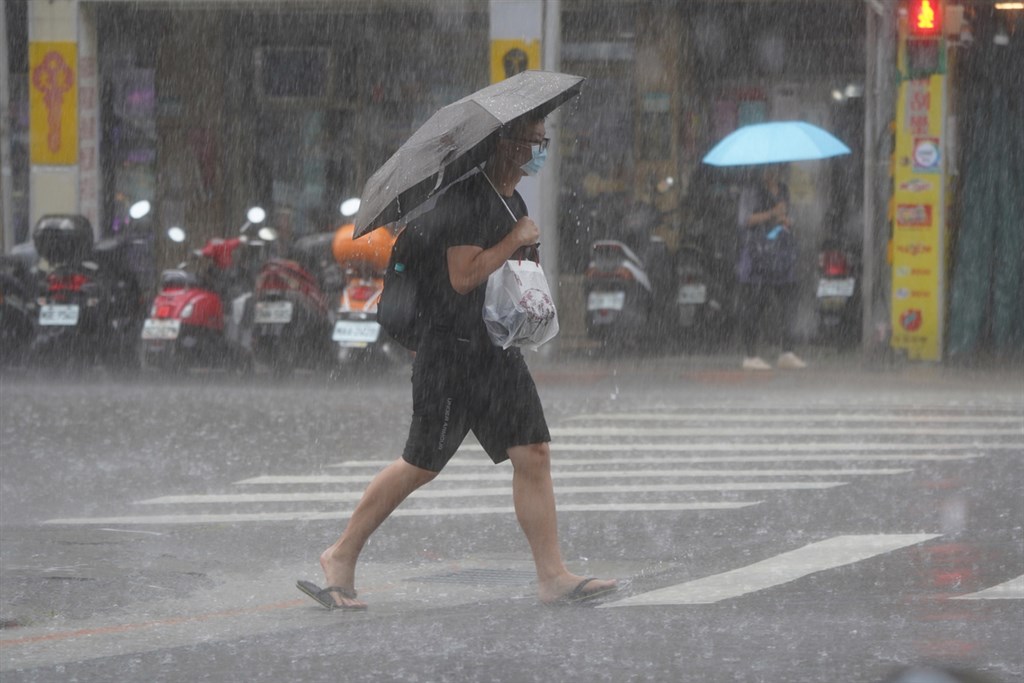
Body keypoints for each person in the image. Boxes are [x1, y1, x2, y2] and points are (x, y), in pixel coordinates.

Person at [298, 114, 618, 610]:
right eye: (533, 141)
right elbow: (463, 277)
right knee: (420, 464)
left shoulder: (507, 197)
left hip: (493, 348)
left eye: (544, 140)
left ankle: (552, 575)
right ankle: (339, 555)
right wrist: (514, 240)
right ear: (504, 145)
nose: (540, 149)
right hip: (450, 352)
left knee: (532, 452)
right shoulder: (468, 200)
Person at [736, 163, 807, 371]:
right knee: (755, 305)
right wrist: (771, 213)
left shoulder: (783, 189)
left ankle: (787, 351)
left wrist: (785, 220)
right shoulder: (752, 190)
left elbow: (786, 216)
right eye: (768, 167)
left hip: (780, 253)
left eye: (776, 167)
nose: (772, 171)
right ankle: (750, 355)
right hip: (758, 254)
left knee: (788, 302)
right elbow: (745, 220)